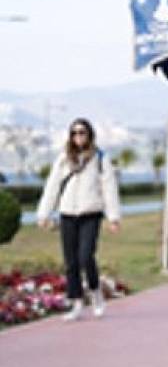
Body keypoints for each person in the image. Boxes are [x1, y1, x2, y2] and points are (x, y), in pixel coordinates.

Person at [37, 118, 121, 321]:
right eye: (74, 133)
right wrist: (43, 214)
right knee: (71, 262)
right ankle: (76, 304)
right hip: (67, 215)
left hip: (90, 215)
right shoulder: (63, 158)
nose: (78, 136)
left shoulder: (100, 158)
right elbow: (52, 186)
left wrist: (113, 217)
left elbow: (109, 189)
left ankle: (96, 292)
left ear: (89, 134)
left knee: (85, 256)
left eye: (82, 132)